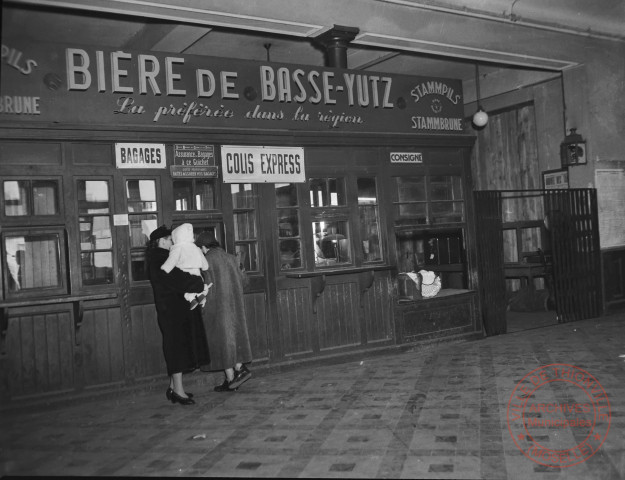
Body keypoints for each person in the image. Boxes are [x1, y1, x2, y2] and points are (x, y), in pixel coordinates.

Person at [147, 225, 210, 405]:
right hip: (172, 311)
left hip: (174, 310)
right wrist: (198, 282)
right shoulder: (158, 258)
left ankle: (174, 387)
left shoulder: (161, 257)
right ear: (158, 242)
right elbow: (178, 279)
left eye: (171, 238)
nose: (171, 242)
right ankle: (178, 391)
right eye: (167, 239)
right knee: (176, 350)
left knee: (179, 347)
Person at [195, 231, 253, 392]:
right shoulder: (231, 258)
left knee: (220, 343)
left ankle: (234, 376)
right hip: (234, 306)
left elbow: (202, 287)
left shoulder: (206, 261)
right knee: (232, 340)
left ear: (204, 247)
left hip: (216, 308)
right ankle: (235, 374)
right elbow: (245, 282)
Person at [160, 223, 211, 310]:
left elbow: (171, 261)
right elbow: (205, 264)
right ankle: (200, 296)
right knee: (197, 288)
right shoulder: (196, 248)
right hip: (197, 273)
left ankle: (192, 300)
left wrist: (165, 268)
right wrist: (205, 267)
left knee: (187, 291)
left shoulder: (177, 248)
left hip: (185, 272)